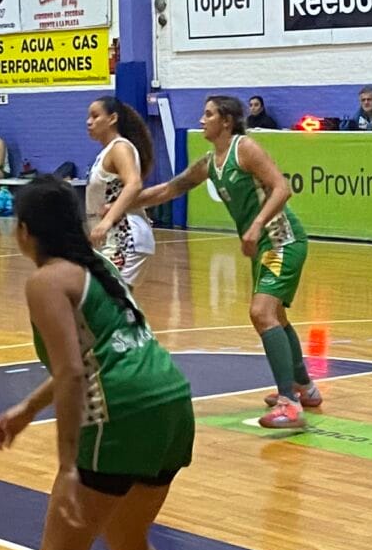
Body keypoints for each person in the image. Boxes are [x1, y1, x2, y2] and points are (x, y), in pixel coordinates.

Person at [0, 176, 218, 550]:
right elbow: (97, 353)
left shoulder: (45, 281)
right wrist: (27, 409)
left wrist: (69, 464)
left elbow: (72, 372)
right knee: (129, 539)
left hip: (120, 414)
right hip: (171, 402)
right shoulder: (100, 271)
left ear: (25, 231)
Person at [136, 95, 317, 428]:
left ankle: (289, 405)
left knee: (261, 313)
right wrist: (124, 204)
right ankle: (304, 387)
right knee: (276, 315)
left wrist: (257, 225)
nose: (201, 120)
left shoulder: (244, 148)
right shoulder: (209, 162)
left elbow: (282, 188)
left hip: (282, 240)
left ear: (226, 121)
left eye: (208, 114)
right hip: (263, 245)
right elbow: (169, 189)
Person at [83, 95, 157, 287]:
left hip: (125, 236)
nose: (89, 122)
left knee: (106, 298)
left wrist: (107, 221)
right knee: (113, 301)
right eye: (88, 117)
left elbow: (134, 184)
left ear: (112, 118)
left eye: (95, 116)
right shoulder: (106, 152)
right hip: (112, 239)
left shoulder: (120, 147)